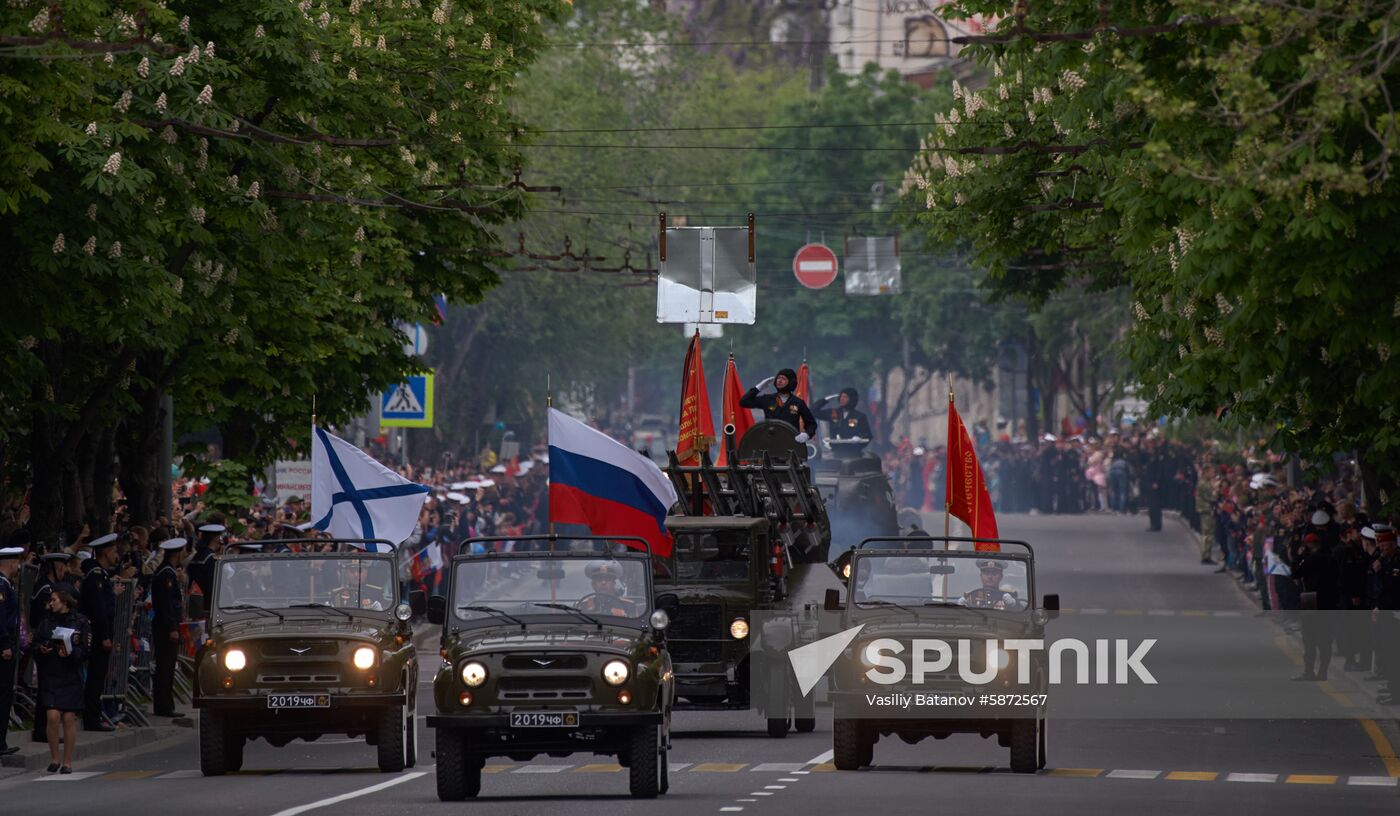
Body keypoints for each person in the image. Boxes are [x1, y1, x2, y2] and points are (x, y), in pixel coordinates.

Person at [34, 584, 91, 773]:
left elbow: (85, 650)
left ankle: (67, 761)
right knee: (52, 715)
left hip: (70, 673)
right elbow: (36, 642)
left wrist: (71, 653)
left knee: (68, 717)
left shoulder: (80, 622)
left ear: (65, 600)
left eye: (54, 600)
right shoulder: (46, 621)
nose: (51, 604)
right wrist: (41, 649)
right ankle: (54, 757)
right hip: (51, 672)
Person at [79, 533, 119, 731]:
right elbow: (99, 609)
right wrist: (104, 635)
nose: (116, 555)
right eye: (114, 551)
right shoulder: (96, 575)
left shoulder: (101, 574)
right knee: (95, 677)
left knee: (98, 676)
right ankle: (92, 718)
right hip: (97, 634)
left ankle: (93, 715)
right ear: (106, 552)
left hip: (100, 632)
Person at [29, 551, 70, 742]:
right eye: (61, 566)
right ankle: (42, 730)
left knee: (50, 688)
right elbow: (43, 619)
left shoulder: (49, 588)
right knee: (46, 688)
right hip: (44, 641)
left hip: (48, 640)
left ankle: (46, 729)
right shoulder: (45, 590)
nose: (64, 570)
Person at [1291, 532, 1338, 680]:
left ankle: (1309, 671)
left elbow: (1295, 574)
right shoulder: (1331, 559)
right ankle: (1323, 671)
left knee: (1309, 639)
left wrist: (1298, 557)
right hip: (1328, 602)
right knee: (1325, 640)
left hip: (1311, 601)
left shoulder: (1309, 560)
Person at [151, 538, 186, 718]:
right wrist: (173, 627)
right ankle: (164, 706)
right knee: (165, 667)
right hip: (165, 628)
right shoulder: (166, 574)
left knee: (167, 667)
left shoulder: (168, 572)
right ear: (178, 553)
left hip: (165, 626)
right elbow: (166, 604)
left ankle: (165, 704)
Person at [740, 368, 817, 442]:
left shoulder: (798, 402)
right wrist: (758, 387)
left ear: (790, 382)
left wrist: (807, 434)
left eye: (783, 378)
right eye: (778, 378)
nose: (779, 381)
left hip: (790, 443)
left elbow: (811, 424)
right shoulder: (767, 399)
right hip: (769, 441)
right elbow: (744, 402)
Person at [0, 546, 23, 756]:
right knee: (3, 693)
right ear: (11, 563)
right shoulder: (1, 585)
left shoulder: (7, 585)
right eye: (17, 562)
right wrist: (5, 644)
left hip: (6, 644)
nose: (20, 566)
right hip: (2, 648)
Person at [187, 523, 224, 611]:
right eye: (219, 536)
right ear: (215, 538)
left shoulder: (197, 555)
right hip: (208, 604)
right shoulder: (211, 558)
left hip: (193, 602)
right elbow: (213, 585)